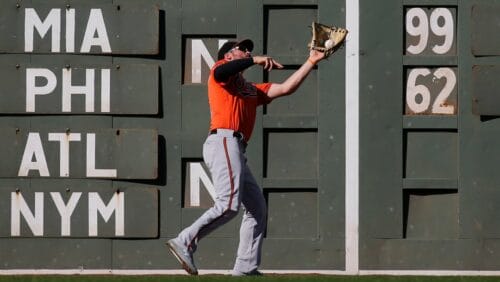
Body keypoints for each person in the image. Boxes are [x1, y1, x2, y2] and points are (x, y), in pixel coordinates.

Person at [167, 39, 326, 276]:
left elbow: (285, 88)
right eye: (242, 48)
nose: (247, 50)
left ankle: (245, 267)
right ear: (229, 55)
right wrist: (254, 59)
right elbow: (223, 70)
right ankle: (185, 241)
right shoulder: (220, 74)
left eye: (248, 49)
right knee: (228, 205)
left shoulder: (250, 89)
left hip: (236, 146)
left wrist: (311, 61)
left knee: (257, 208)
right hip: (223, 139)